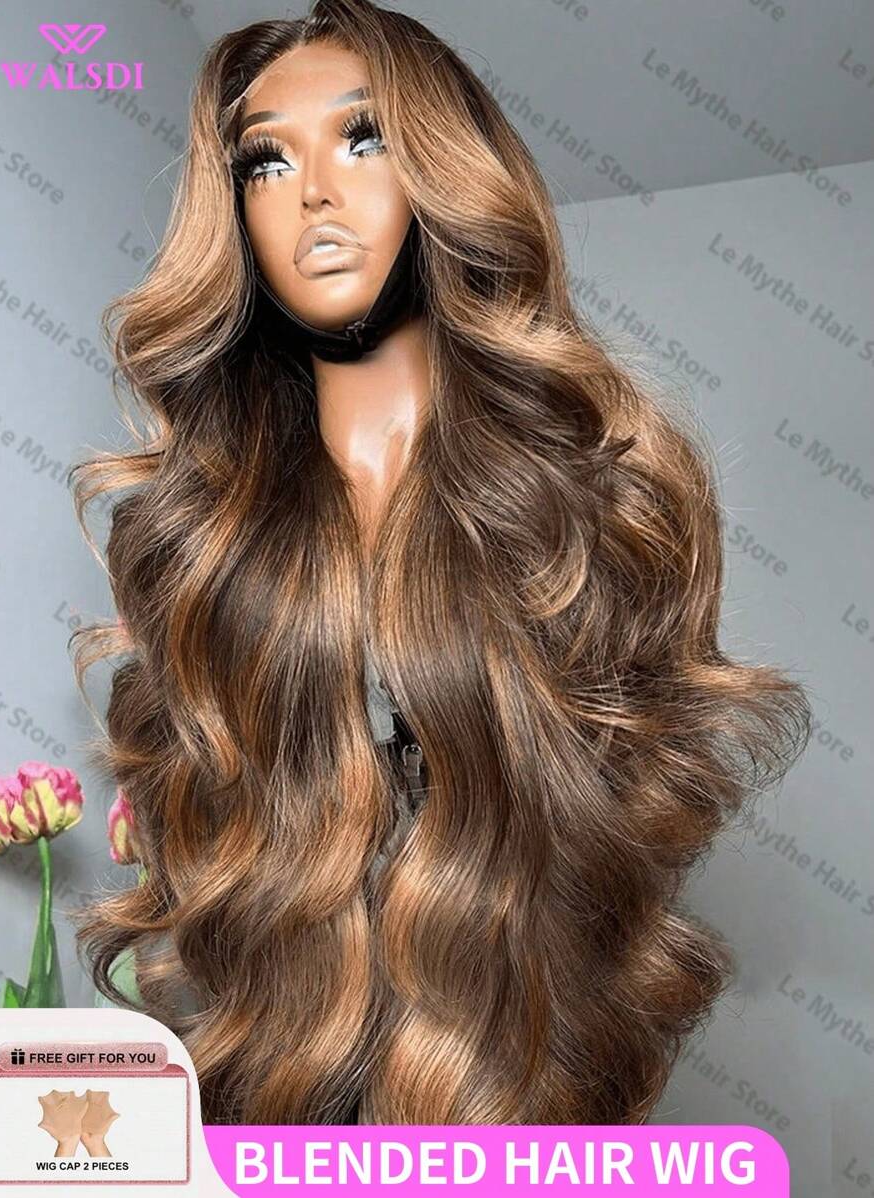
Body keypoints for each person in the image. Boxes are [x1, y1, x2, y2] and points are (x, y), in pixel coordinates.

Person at [71, 0, 810, 1126]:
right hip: (286, 1102)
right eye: (266, 162)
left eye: (362, 138)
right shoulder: (210, 541)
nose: (315, 193)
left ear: (443, 174)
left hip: (525, 1093)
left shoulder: (584, 507)